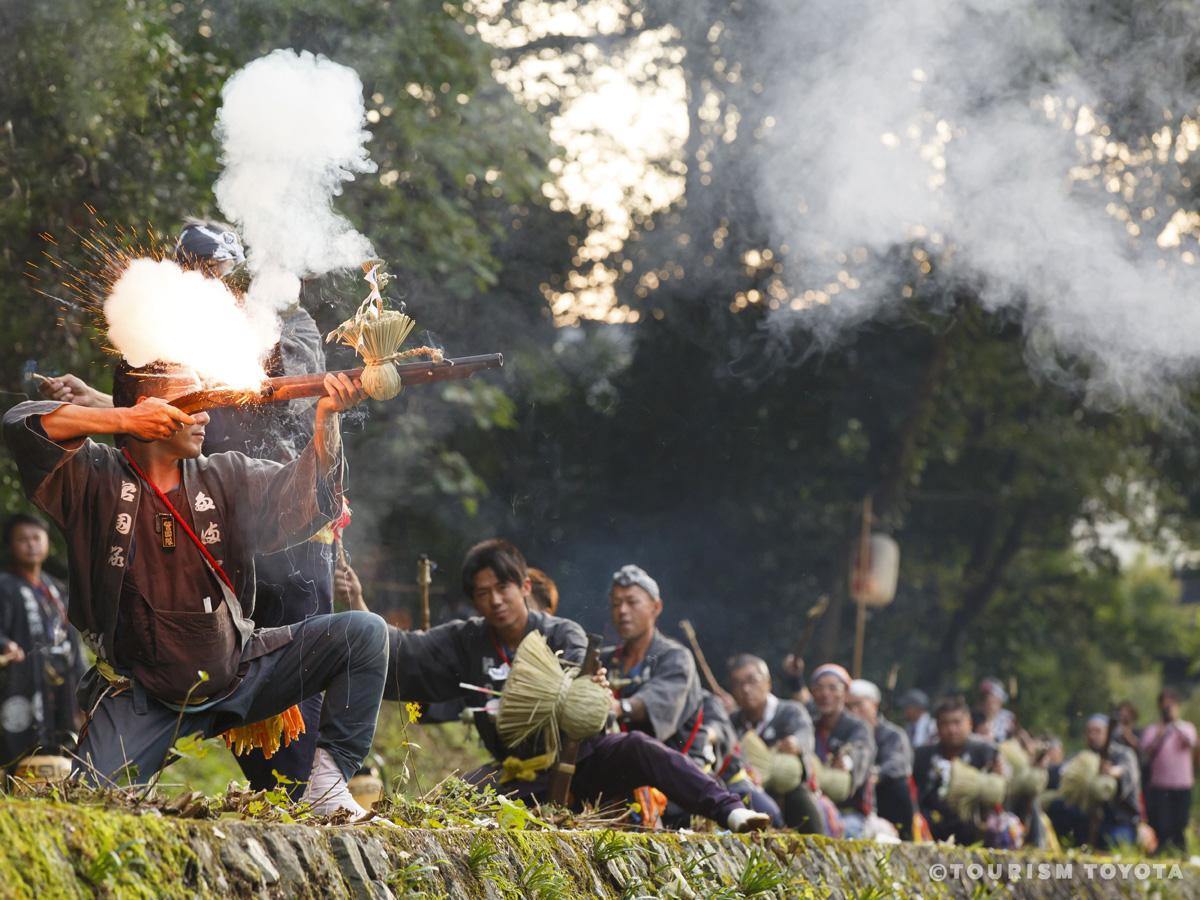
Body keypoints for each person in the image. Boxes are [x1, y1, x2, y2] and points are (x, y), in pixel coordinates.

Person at [4, 361, 387, 818]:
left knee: (365, 635)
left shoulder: (226, 474)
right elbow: (21, 423)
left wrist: (327, 421)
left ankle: (325, 788)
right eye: (194, 403)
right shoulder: (93, 477)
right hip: (138, 692)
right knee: (91, 807)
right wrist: (123, 419)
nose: (206, 416)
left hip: (239, 669)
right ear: (149, 408)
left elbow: (303, 497)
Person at [40, 221, 336, 797]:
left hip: (277, 521)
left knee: (291, 679)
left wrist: (241, 338)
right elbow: (169, 420)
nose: (207, 283)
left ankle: (311, 788)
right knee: (192, 659)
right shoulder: (173, 332)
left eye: (217, 274)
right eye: (197, 273)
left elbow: (276, 405)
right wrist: (107, 406)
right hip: (206, 525)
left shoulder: (280, 323)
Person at [381, 540, 769, 833]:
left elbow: (594, 702)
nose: (496, 601)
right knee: (455, 798)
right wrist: (365, 621)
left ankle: (730, 810)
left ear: (524, 586)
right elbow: (409, 653)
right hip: (519, 773)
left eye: (503, 588)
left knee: (639, 749)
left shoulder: (562, 632)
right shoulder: (466, 641)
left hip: (580, 761)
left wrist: (592, 694)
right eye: (483, 594)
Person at [603, 564, 781, 825]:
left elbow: (659, 701)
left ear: (656, 607)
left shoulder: (676, 658)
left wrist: (619, 708)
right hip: (617, 773)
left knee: (772, 816)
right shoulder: (607, 660)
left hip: (678, 780)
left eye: (632, 602)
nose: (623, 611)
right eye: (616, 603)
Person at [0, 513, 84, 771]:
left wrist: (84, 688)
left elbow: (73, 640)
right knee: (17, 745)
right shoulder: (4, 585)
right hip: (20, 679)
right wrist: (5, 645)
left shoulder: (57, 590)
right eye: (22, 539)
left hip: (61, 681)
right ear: (11, 545)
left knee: (62, 742)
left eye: (36, 538)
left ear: (47, 542)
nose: (31, 544)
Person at [728, 653, 824, 833]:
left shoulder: (790, 711)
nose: (746, 689)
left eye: (752, 680)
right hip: (749, 789)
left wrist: (796, 744)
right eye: (738, 684)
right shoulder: (732, 722)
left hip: (787, 791)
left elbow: (805, 734)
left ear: (768, 683)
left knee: (799, 797)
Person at [912, 694, 1001, 845]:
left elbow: (998, 794)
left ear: (969, 724)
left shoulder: (986, 752)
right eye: (945, 724)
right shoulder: (922, 755)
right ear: (937, 727)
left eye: (957, 722)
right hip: (931, 825)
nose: (951, 729)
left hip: (973, 824)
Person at [1046, 714, 1141, 850]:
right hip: (1088, 816)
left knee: (1112, 844)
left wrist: (1111, 772)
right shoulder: (1083, 757)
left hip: (1119, 819)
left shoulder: (1123, 754)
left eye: (1097, 731)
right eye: (1089, 731)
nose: (1092, 735)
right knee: (1058, 807)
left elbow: (1127, 772)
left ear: (1107, 733)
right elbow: (1064, 772)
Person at [809, 663, 875, 836]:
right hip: (811, 803)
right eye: (819, 688)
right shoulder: (809, 725)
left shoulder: (858, 727)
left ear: (845, 693)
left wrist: (848, 761)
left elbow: (862, 750)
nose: (825, 694)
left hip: (850, 812)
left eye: (832, 688)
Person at [847, 678, 915, 839]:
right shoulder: (846, 733)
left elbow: (899, 764)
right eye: (848, 706)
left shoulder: (893, 734)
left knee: (898, 787)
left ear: (875, 704)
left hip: (883, 796)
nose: (853, 711)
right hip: (852, 796)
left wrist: (875, 774)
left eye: (859, 705)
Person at [1140, 688, 1196, 854]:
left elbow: (1191, 742)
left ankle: (1180, 854)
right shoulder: (1152, 730)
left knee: (1180, 822)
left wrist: (1174, 724)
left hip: (1182, 784)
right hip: (1160, 785)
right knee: (1162, 823)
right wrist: (1162, 732)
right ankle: (1161, 853)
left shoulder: (1187, 728)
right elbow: (1146, 748)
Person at [978, 677, 1016, 743]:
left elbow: (1010, 738)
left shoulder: (1008, 717)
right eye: (985, 698)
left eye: (994, 700)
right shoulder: (975, 717)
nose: (990, 703)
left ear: (1000, 701)